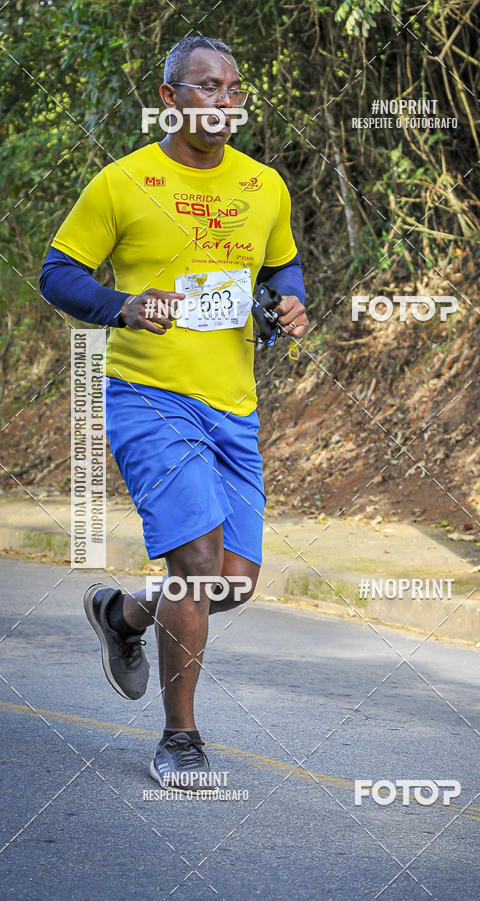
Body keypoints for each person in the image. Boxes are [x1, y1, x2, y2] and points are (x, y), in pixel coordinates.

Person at [39, 35, 309, 789]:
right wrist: (122, 305)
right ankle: (180, 737)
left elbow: (281, 263)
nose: (223, 100)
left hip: (234, 407)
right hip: (149, 397)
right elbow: (57, 272)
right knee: (193, 564)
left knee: (232, 582)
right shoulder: (124, 182)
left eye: (232, 88)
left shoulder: (264, 185)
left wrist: (290, 302)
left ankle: (123, 615)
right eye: (206, 86)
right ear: (170, 98)